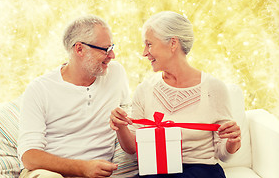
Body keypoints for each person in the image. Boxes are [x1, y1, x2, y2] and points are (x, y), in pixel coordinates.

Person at [110, 11, 241, 178]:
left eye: (149, 44)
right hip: (157, 170)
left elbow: (223, 154)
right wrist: (121, 127)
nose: (144, 52)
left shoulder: (214, 89)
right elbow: (132, 149)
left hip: (201, 171)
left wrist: (232, 142)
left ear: (173, 44)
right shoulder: (145, 89)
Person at [18, 15, 130, 178]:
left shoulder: (116, 74)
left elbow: (130, 123)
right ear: (79, 49)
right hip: (49, 173)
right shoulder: (40, 89)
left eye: (111, 47)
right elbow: (29, 156)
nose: (112, 55)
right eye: (105, 49)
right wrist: (83, 168)